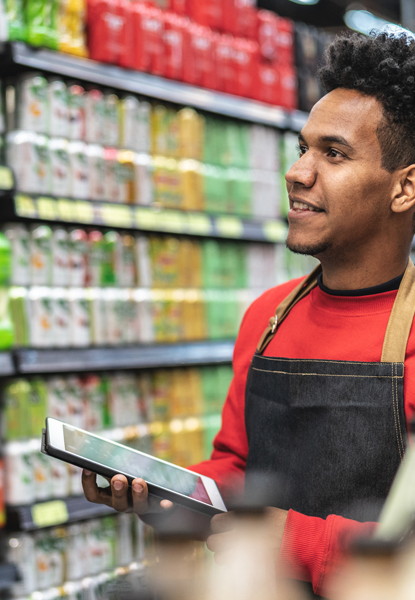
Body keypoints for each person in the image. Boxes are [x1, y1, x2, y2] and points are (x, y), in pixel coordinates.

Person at [82, 31, 415, 598]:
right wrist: (170, 493)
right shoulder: (269, 316)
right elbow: (237, 467)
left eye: (333, 154)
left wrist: (291, 537)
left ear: (405, 188)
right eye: (302, 148)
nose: (299, 172)